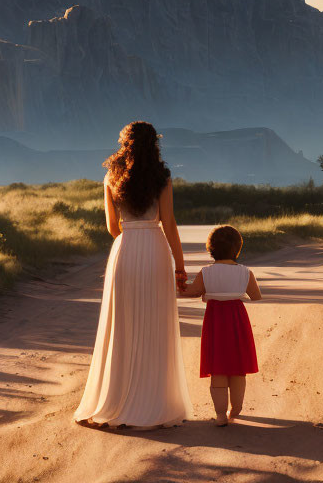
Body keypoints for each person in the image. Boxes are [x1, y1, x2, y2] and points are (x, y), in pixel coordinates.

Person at [74, 121, 193, 428]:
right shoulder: (163, 178)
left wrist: (131, 229)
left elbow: (113, 228)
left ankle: (115, 399)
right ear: (154, 145)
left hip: (125, 251)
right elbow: (169, 223)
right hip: (154, 250)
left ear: (124, 144)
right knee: (155, 323)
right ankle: (153, 402)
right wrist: (180, 267)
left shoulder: (110, 177)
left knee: (122, 327)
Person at [178, 225, 262, 425]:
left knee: (218, 367)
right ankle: (237, 408)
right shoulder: (245, 272)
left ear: (211, 249)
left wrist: (180, 283)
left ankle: (220, 414)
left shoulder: (206, 273)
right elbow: (256, 296)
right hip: (237, 320)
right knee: (237, 366)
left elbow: (190, 292)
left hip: (215, 320)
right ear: (238, 248)